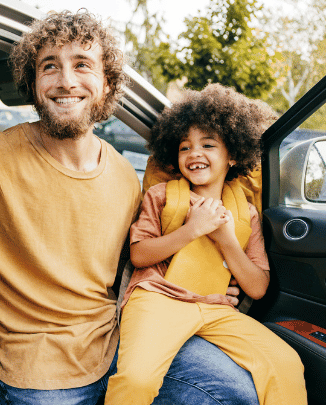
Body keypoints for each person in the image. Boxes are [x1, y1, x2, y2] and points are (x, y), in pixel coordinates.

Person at [0, 10, 260, 405]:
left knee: (234, 392)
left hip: (118, 338)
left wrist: (204, 294)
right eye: (50, 66)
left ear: (107, 83)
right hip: (35, 367)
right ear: (32, 82)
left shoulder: (122, 173)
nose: (66, 80)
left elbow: (138, 265)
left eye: (82, 64)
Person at [105, 83, 307, 405]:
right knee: (136, 379)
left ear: (233, 156)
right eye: (184, 147)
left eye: (208, 145)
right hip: (159, 298)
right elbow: (139, 254)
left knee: (285, 363)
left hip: (214, 307)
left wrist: (225, 239)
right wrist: (192, 229)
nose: (194, 154)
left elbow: (256, 287)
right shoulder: (161, 196)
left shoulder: (247, 214)